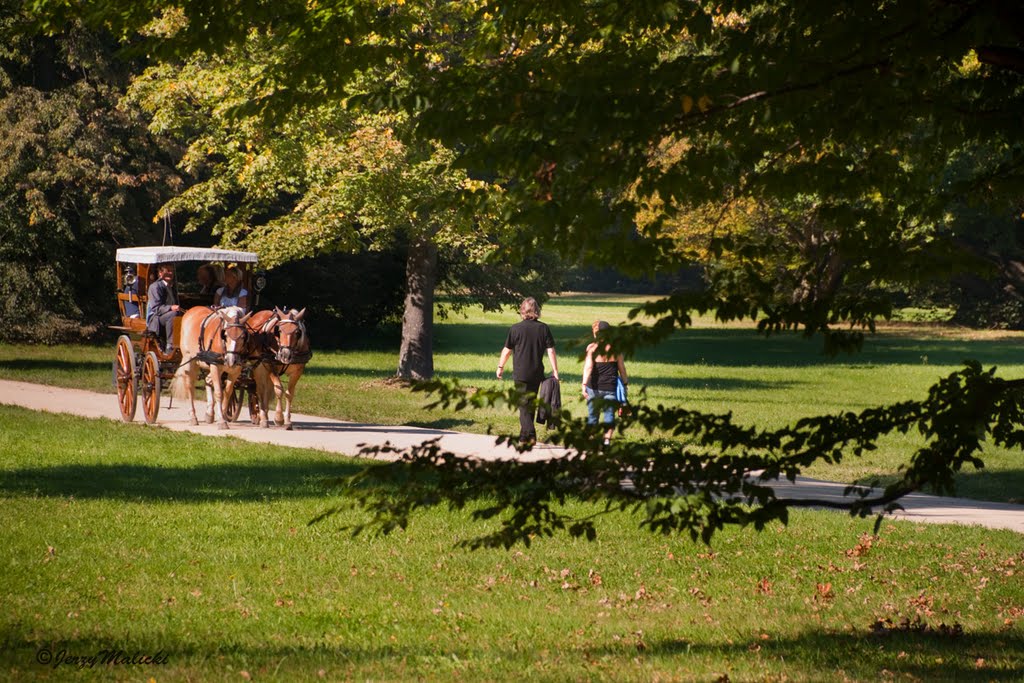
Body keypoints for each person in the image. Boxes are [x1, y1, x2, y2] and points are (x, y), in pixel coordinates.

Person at [497, 297, 559, 444]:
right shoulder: (543, 328)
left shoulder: (515, 328)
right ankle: (523, 437)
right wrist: (555, 370)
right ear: (536, 311)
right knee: (529, 404)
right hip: (537, 373)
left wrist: (500, 366)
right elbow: (551, 351)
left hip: (521, 373)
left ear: (522, 311)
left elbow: (507, 351)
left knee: (523, 405)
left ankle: (530, 435)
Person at [581, 320, 628, 446]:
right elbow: (622, 369)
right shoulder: (616, 349)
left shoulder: (591, 348)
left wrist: (584, 384)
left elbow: (588, 368)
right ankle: (606, 440)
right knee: (609, 415)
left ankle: (592, 440)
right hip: (610, 387)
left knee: (593, 415)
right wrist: (625, 384)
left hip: (594, 388)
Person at [146, 264, 182, 352]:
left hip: (168, 316)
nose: (170, 273)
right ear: (160, 273)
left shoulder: (172, 287)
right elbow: (156, 308)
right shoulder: (155, 287)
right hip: (156, 319)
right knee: (173, 315)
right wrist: (171, 307)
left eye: (172, 271)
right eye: (168, 271)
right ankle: (170, 345)